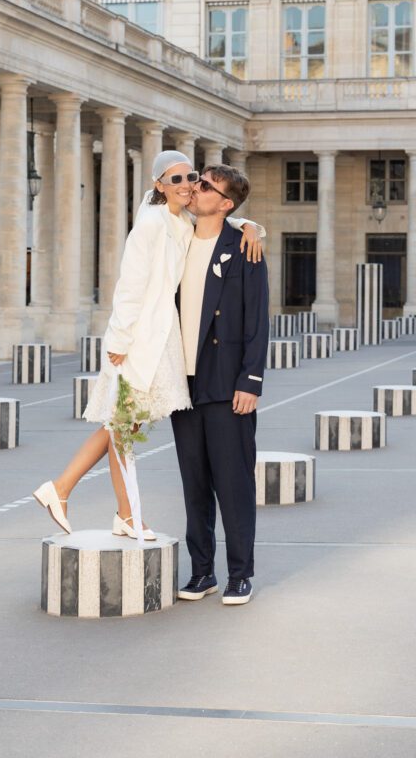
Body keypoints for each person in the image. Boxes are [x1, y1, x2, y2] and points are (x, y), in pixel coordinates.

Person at [32, 150, 263, 539]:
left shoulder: (181, 219)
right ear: (159, 185)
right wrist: (120, 339)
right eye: (176, 179)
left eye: (192, 177)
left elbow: (220, 219)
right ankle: (68, 490)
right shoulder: (151, 224)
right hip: (138, 339)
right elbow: (130, 285)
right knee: (122, 423)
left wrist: (251, 226)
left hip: (159, 338)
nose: (188, 185)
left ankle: (110, 508)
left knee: (124, 426)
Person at [171, 164, 269, 606]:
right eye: (197, 179)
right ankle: (202, 572)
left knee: (233, 484)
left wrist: (251, 380)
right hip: (182, 380)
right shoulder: (176, 238)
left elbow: (257, 320)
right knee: (194, 484)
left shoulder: (244, 246)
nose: (195, 188)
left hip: (227, 381)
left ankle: (240, 574)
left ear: (225, 203)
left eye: (206, 185)